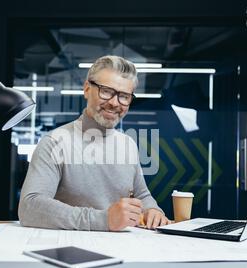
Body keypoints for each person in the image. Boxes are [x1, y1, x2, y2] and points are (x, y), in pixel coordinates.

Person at [18, 55, 169, 231]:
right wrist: (103, 220)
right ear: (87, 89)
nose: (114, 103)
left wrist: (152, 210)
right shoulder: (54, 142)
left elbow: (142, 194)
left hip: (122, 250)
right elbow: (30, 207)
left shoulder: (128, 144)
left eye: (124, 96)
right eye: (106, 91)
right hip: (68, 251)